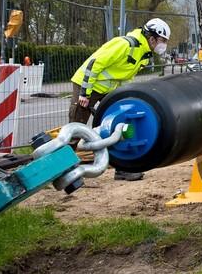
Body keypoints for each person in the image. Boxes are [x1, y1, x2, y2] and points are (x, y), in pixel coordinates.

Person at [70, 17, 172, 181]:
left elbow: (125, 77)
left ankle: (122, 168)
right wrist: (84, 93)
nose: (164, 45)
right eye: (163, 40)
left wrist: (123, 97)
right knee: (76, 128)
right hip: (88, 84)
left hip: (108, 89)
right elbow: (94, 64)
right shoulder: (125, 45)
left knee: (117, 126)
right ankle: (64, 169)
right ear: (152, 38)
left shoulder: (144, 54)